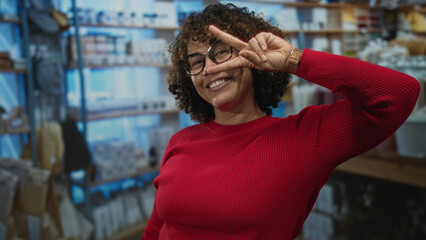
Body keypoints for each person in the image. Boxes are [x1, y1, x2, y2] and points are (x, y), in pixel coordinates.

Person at [142, 3, 420, 240]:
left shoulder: (304, 138)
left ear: (253, 57)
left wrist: (293, 60)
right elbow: (155, 230)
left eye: (221, 52)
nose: (211, 69)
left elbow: (398, 94)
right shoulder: (180, 141)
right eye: (196, 61)